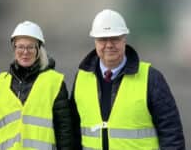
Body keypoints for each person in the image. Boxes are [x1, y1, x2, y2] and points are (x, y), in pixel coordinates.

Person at [70, 9, 185, 149]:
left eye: (115, 38)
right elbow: (73, 132)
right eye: (102, 39)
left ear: (124, 39)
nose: (109, 45)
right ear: (95, 42)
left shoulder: (151, 79)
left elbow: (171, 134)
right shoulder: (82, 78)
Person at [0, 21, 74, 149]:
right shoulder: (3, 81)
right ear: (14, 48)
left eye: (30, 47)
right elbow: (0, 130)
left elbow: (65, 132)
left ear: (39, 49)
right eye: (20, 47)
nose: (25, 52)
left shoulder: (54, 82)